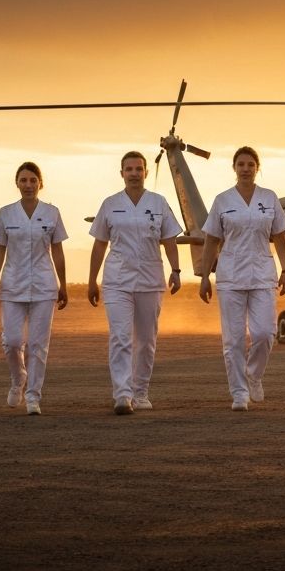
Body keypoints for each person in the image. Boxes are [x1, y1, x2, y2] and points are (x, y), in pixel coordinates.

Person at [88, 151, 183, 414]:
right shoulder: (110, 204)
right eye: (128, 169)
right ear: (121, 173)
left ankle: (141, 392)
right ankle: (122, 394)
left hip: (150, 280)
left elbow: (170, 240)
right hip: (117, 279)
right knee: (120, 336)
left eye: (139, 169)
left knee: (146, 340)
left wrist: (176, 270)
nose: (134, 174)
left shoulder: (159, 202)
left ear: (145, 172)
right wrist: (91, 281)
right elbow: (99, 245)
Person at [198, 146, 285, 411]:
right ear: (234, 168)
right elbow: (211, 240)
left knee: (265, 333)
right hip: (230, 276)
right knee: (234, 339)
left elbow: (280, 237)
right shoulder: (222, 200)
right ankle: (239, 393)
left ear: (257, 167)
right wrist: (205, 276)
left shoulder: (269, 197)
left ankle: (254, 374)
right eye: (241, 164)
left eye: (250, 164)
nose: (246, 169)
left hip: (263, 274)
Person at [0, 161, 68, 416]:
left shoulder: (52, 213)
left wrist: (63, 284)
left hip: (44, 285)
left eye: (33, 180)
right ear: (17, 183)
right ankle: (18, 378)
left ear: (40, 183)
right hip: (12, 285)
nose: (28, 185)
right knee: (12, 341)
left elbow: (58, 250)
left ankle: (33, 396)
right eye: (23, 180)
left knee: (37, 344)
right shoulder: (6, 213)